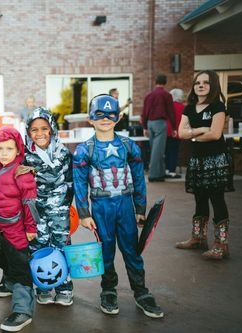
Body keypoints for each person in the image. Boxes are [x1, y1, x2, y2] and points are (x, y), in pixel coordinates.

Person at [73, 94, 164, 319]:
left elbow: (139, 179)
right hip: (101, 207)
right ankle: (108, 289)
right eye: (99, 114)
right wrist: (83, 213)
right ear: (90, 119)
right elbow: (79, 182)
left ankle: (141, 292)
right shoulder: (84, 150)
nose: (105, 118)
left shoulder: (128, 146)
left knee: (131, 250)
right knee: (105, 251)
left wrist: (140, 208)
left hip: (124, 205)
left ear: (119, 117)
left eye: (110, 114)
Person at [175, 70, 234, 260]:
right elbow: (181, 133)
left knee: (217, 199)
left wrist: (192, 136)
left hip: (216, 160)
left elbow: (215, 134)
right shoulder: (189, 108)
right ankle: (198, 238)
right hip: (197, 160)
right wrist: (200, 130)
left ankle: (221, 244)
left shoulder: (218, 106)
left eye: (206, 82)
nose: (200, 85)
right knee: (199, 199)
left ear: (213, 85)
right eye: (197, 82)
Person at [0, 126, 38, 332]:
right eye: (0, 148)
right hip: (1, 230)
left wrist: (30, 228)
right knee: (3, 259)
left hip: (18, 230)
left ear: (18, 150)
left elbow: (30, 203)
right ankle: (8, 284)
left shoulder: (22, 173)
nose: (5, 153)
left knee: (19, 267)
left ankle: (23, 310)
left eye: (9, 148)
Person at [21, 107, 74, 306]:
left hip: (60, 211)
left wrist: (67, 205)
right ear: (28, 132)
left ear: (51, 128)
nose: (40, 133)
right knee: (38, 245)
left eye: (44, 128)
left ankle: (64, 288)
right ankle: (42, 287)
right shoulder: (25, 156)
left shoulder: (63, 153)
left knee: (61, 245)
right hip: (36, 212)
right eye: (34, 130)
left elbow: (71, 182)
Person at [141, 74, 176, 182]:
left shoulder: (149, 95)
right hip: (160, 123)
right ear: (165, 82)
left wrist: (145, 127)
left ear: (155, 82)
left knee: (157, 150)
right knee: (158, 151)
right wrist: (174, 127)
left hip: (150, 123)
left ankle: (160, 174)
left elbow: (144, 112)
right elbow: (171, 112)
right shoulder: (166, 95)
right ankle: (153, 175)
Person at [165, 88, 185, 179]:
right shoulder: (181, 107)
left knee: (166, 152)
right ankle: (172, 172)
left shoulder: (167, 106)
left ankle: (166, 170)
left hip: (165, 132)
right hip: (176, 131)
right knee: (174, 152)